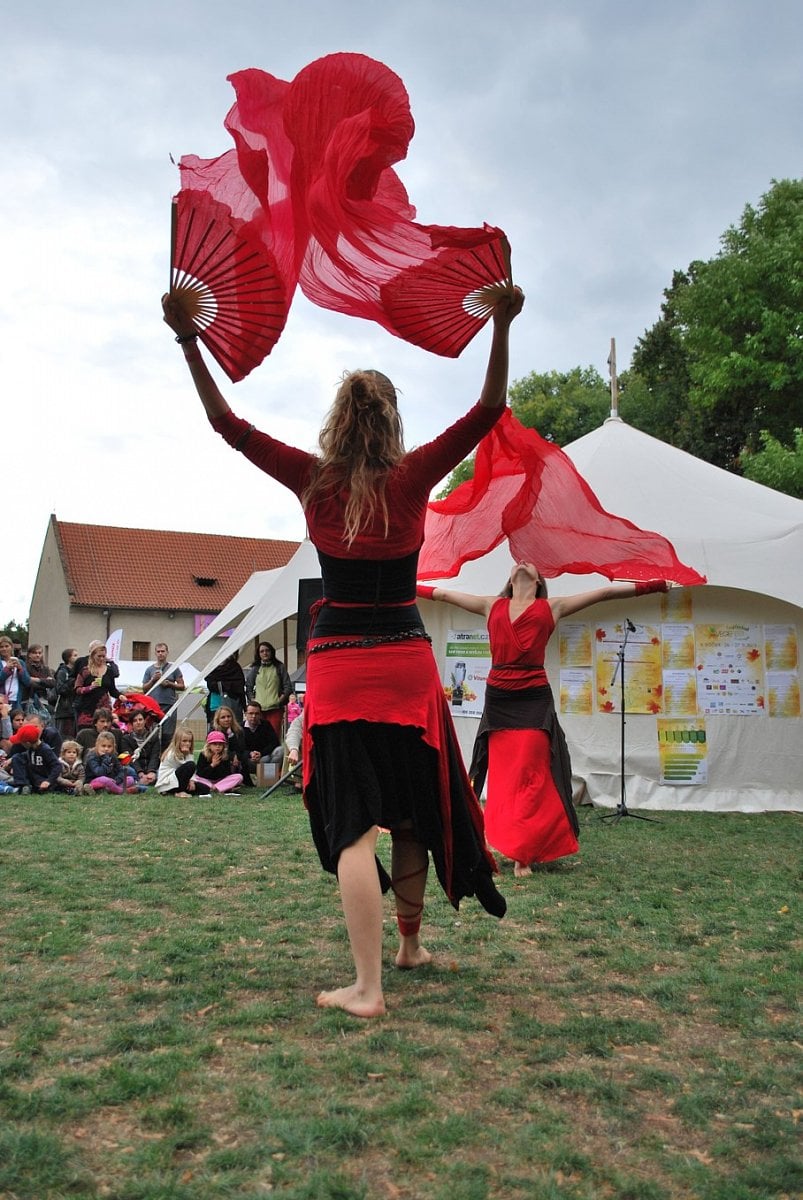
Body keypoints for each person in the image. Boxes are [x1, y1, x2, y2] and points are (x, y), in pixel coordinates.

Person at [163, 281, 523, 1017]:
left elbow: (225, 423)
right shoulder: (414, 475)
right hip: (404, 665)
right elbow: (487, 410)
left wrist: (186, 338)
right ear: (391, 422)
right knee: (416, 810)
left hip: (338, 668)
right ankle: (410, 944)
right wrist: (501, 325)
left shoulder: (312, 479)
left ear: (337, 421)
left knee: (353, 825)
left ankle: (369, 987)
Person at [419, 566, 670, 875]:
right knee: (505, 775)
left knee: (532, 772)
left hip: (534, 700)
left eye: (530, 563)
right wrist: (405, 582)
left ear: (538, 580)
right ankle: (509, 843)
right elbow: (443, 594)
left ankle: (524, 850)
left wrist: (653, 586)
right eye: (517, 562)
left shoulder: (552, 607)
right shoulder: (490, 605)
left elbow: (604, 592)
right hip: (500, 700)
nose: (522, 562)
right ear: (510, 577)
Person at [245, 642, 294, 740]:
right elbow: (248, 686)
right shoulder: (255, 669)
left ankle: (276, 755)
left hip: (275, 708)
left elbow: (288, 686)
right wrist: (253, 701)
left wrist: (280, 699)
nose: (265, 653)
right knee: (259, 736)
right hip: (259, 710)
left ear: (272, 652)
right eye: (262, 651)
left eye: (267, 650)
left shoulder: (279, 667)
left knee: (274, 735)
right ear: (258, 654)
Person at [142, 643, 185, 747]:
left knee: (168, 736)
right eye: (158, 651)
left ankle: (165, 758)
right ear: (155, 653)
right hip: (153, 707)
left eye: (163, 651)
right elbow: (144, 689)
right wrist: (153, 680)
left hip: (170, 706)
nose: (160, 654)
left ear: (167, 652)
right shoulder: (149, 670)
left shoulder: (174, 668)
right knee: (152, 735)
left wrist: (169, 684)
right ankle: (154, 759)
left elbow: (182, 686)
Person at [73, 645, 122, 728]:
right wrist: (89, 688)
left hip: (104, 710)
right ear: (93, 656)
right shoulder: (85, 671)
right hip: (87, 710)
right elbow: (77, 689)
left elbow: (112, 690)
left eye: (103, 656)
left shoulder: (109, 671)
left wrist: (120, 696)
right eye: (99, 656)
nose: (102, 659)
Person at [9, 722, 61, 794]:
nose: (21, 744)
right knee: (16, 757)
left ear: (28, 743)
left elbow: (57, 765)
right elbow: (25, 755)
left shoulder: (45, 750)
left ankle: (26, 786)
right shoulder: (31, 749)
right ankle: (23, 785)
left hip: (42, 780)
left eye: (21, 742)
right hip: (33, 777)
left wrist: (48, 781)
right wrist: (10, 760)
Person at [190, 730, 243, 795]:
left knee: (239, 777)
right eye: (215, 744)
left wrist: (219, 764)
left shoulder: (225, 756)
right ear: (209, 745)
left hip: (220, 780)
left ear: (223, 746)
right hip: (206, 780)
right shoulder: (203, 755)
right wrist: (212, 765)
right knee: (195, 777)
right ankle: (220, 788)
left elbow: (226, 774)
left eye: (220, 744)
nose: (217, 746)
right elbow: (200, 773)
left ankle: (215, 788)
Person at [204, 653, 247, 726]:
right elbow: (211, 685)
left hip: (232, 705)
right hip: (215, 705)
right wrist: (226, 685)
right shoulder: (211, 669)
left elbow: (239, 688)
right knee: (215, 731)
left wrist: (245, 707)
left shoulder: (234, 668)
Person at [242, 700, 281, 775]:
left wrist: (261, 753)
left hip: (264, 758)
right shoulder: (240, 728)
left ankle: (269, 776)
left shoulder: (266, 725)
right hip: (249, 760)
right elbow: (239, 749)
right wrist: (250, 754)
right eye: (251, 713)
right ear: (246, 714)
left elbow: (275, 742)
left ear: (260, 715)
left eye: (256, 714)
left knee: (280, 750)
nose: (254, 716)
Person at [123, 710, 161, 787]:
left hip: (152, 768)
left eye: (140, 719)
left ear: (144, 721)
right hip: (135, 770)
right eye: (135, 721)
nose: (138, 722)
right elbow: (130, 758)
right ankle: (140, 780)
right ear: (131, 724)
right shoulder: (126, 739)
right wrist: (140, 773)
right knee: (127, 770)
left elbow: (155, 756)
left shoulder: (153, 737)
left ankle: (149, 779)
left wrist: (151, 771)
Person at [156, 726, 197, 796]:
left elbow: (190, 773)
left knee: (203, 788)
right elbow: (185, 768)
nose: (187, 744)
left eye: (189, 741)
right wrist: (187, 756)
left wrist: (192, 780)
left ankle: (182, 790)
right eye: (184, 741)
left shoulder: (188, 754)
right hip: (168, 782)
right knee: (191, 765)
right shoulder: (172, 753)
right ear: (178, 741)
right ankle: (177, 792)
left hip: (178, 780)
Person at [22, 644, 55, 716]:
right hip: (29, 699)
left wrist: (37, 679)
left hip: (44, 700)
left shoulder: (45, 668)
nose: (37, 655)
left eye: (39, 653)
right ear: (29, 654)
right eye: (35, 653)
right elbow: (29, 683)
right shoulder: (25, 667)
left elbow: (52, 683)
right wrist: (45, 681)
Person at [1, 636, 31, 714]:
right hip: (1, 700)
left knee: (16, 723)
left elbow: (27, 682)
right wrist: (6, 669)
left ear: (11, 647)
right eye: (1, 647)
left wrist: (20, 669)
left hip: (16, 699)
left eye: (6, 646)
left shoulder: (20, 662)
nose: (4, 649)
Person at [53, 648, 78, 738]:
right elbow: (60, 689)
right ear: (68, 658)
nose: (77, 658)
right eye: (74, 655)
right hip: (65, 709)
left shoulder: (76, 671)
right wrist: (71, 681)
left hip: (74, 707)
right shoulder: (63, 672)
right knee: (64, 735)